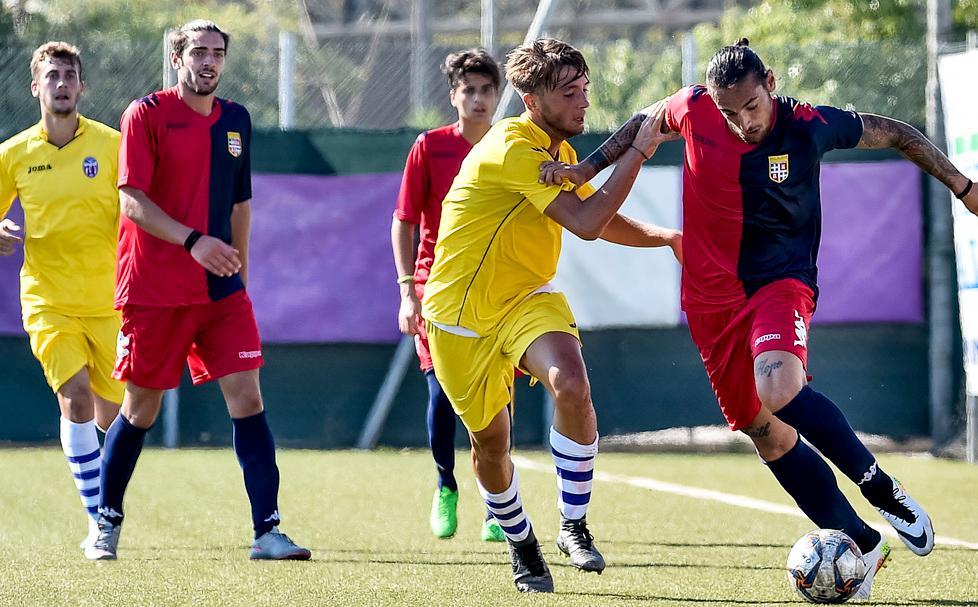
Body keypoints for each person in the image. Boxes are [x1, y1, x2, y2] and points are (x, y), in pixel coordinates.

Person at [542, 38, 978, 599]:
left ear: (769, 83)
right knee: (762, 431)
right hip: (709, 300)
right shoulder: (694, 108)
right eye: (729, 112)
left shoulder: (808, 125)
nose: (741, 122)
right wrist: (585, 169)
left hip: (779, 282)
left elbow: (896, 132)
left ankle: (880, 487)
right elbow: (640, 124)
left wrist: (964, 189)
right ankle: (861, 542)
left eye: (750, 107)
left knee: (778, 386)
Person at [422, 38, 681, 593]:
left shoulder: (558, 152)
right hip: (458, 319)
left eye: (585, 89)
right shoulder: (513, 147)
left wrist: (665, 237)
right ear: (530, 98)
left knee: (572, 382)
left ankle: (573, 524)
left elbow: (596, 216)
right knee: (491, 448)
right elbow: (587, 221)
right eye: (569, 93)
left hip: (525, 302)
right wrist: (637, 150)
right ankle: (520, 540)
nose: (583, 103)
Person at [86, 20, 310, 562]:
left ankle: (268, 531)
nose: (208, 62)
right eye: (199, 53)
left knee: (248, 397)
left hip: (221, 293)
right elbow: (132, 201)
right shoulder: (146, 114)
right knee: (141, 409)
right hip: (155, 289)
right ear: (177, 57)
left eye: (217, 53)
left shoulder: (236, 120)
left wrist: (241, 278)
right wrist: (194, 242)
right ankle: (106, 521)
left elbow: (239, 207)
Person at [0, 41, 123, 551]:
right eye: (51, 76)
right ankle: (99, 521)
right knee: (73, 399)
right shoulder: (13, 154)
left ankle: (107, 504)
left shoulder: (113, 145)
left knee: (114, 417)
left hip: (112, 300)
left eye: (69, 75)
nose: (61, 84)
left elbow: (141, 207)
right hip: (48, 299)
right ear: (36, 87)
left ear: (82, 85)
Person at [392, 48, 508, 543]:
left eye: (486, 90)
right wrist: (406, 292)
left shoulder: (512, 146)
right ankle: (445, 485)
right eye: (469, 90)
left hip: (497, 291)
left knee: (497, 399)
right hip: (436, 288)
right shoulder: (430, 148)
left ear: (498, 95)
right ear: (453, 95)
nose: (478, 99)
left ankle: (497, 505)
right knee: (442, 395)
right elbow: (404, 221)